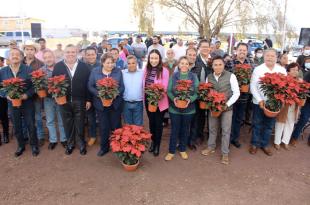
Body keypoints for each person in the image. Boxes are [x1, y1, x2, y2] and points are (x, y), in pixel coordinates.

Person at [53, 44, 91, 155]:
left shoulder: (84, 66)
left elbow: (88, 85)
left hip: (80, 100)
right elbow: (54, 83)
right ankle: (70, 144)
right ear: (64, 53)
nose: (70, 54)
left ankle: (81, 144)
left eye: (73, 52)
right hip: (63, 100)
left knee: (80, 123)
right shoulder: (58, 66)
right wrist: (56, 96)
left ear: (77, 53)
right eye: (68, 52)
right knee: (67, 123)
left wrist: (88, 100)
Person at [0, 48, 39, 157]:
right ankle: (21, 145)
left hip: (27, 103)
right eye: (12, 54)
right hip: (12, 103)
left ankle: (34, 145)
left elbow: (35, 86)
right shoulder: (3, 71)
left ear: (22, 57)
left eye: (17, 54)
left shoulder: (28, 69)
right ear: (8, 57)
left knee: (31, 124)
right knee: (16, 125)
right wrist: (5, 95)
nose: (15, 56)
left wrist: (27, 95)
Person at [201, 56, 240, 165]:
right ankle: (211, 147)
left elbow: (236, 93)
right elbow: (206, 91)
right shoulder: (209, 77)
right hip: (213, 107)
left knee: (226, 130)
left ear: (224, 65)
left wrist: (226, 105)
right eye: (215, 65)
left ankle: (225, 153)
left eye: (220, 64)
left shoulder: (231, 76)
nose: (218, 67)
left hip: (227, 108)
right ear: (212, 66)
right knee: (212, 128)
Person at [250, 48, 287, 156]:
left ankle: (264, 144)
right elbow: (253, 86)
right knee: (257, 123)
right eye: (267, 55)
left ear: (276, 58)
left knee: (269, 125)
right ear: (264, 57)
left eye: (272, 56)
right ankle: (254, 144)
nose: (270, 58)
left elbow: (284, 87)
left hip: (274, 104)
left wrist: (279, 100)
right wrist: (260, 100)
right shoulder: (258, 69)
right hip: (259, 102)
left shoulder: (281, 70)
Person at [88, 53, 124, 156]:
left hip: (115, 104)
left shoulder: (118, 72)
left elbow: (122, 87)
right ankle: (104, 148)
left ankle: (117, 146)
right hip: (100, 105)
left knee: (116, 126)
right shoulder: (95, 72)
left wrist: (114, 95)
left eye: (112, 62)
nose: (110, 65)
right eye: (108, 63)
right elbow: (90, 86)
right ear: (102, 63)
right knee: (103, 127)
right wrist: (99, 94)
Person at [165, 56, 199, 161]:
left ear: (189, 66)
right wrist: (174, 99)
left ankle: (182, 149)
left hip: (189, 109)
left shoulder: (193, 76)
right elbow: (169, 90)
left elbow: (197, 92)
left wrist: (190, 99)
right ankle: (171, 151)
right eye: (182, 63)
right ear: (179, 65)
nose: (184, 65)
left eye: (186, 64)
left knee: (185, 130)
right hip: (174, 109)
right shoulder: (174, 76)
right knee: (174, 129)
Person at [143, 49, 169, 156]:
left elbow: (165, 87)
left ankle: (157, 145)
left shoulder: (164, 70)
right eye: (152, 58)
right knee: (151, 122)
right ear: (149, 59)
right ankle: (153, 142)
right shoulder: (146, 69)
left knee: (158, 124)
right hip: (148, 99)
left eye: (156, 58)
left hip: (159, 100)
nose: (154, 60)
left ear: (159, 59)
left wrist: (156, 96)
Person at [227, 43, 253, 149]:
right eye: (240, 50)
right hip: (232, 96)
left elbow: (252, 78)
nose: (242, 52)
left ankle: (234, 138)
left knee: (238, 118)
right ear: (236, 51)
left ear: (247, 51)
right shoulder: (229, 63)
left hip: (244, 96)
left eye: (244, 50)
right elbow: (226, 78)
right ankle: (226, 138)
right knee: (229, 118)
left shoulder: (250, 62)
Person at [41, 50, 67, 150]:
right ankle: (53, 140)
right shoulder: (42, 70)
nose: (48, 59)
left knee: (61, 119)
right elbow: (40, 86)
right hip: (48, 99)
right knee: (50, 120)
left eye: (50, 57)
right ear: (44, 59)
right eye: (46, 57)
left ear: (54, 57)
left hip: (60, 98)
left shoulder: (61, 67)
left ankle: (63, 139)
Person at [190, 39, 212, 146]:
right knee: (199, 115)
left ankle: (208, 133)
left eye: (207, 47)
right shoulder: (196, 60)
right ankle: (199, 134)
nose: (205, 49)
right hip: (199, 93)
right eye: (202, 47)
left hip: (211, 91)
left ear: (210, 48)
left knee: (209, 114)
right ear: (199, 48)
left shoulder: (212, 60)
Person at [22, 40, 45, 146]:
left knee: (38, 117)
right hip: (22, 95)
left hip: (35, 95)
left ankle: (40, 136)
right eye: (27, 49)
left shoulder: (40, 64)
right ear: (24, 50)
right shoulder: (20, 62)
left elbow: (42, 80)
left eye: (32, 49)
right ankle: (26, 135)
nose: (29, 51)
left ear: (35, 51)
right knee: (24, 116)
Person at [274, 63, 301, 150]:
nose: (295, 71)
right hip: (284, 105)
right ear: (288, 71)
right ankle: (277, 142)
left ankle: (285, 141)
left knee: (290, 123)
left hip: (294, 105)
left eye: (297, 70)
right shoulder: (283, 80)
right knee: (280, 122)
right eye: (293, 69)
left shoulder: (300, 81)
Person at [84, 47, 100, 146]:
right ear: (85, 56)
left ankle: (104, 136)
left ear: (96, 54)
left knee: (102, 117)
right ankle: (93, 136)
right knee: (90, 118)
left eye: (92, 54)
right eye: (88, 54)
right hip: (88, 97)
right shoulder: (82, 66)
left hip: (100, 96)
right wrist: (87, 99)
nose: (90, 56)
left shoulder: (101, 65)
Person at [290, 62, 310, 146]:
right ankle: (294, 137)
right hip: (308, 101)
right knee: (304, 119)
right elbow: (304, 86)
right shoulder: (309, 73)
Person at [122, 55, 144, 126]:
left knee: (138, 126)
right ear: (126, 64)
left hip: (138, 103)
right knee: (127, 126)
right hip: (126, 103)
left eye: (133, 63)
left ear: (137, 63)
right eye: (129, 63)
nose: (131, 65)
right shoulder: (122, 73)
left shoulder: (142, 73)